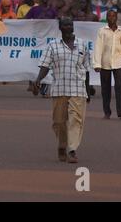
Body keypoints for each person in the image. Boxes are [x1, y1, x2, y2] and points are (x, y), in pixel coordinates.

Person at [35, 17, 91, 163]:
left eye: (70, 25)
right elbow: (45, 65)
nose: (68, 27)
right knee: (59, 122)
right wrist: (38, 80)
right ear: (60, 28)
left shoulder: (82, 45)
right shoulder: (52, 46)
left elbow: (86, 69)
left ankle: (72, 150)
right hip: (59, 88)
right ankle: (62, 145)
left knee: (76, 120)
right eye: (65, 25)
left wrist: (88, 89)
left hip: (78, 88)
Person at [93, 10, 121, 120]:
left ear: (117, 17)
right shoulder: (102, 31)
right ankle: (107, 112)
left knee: (120, 87)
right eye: (109, 16)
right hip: (105, 64)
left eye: (113, 16)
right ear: (107, 18)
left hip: (118, 63)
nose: (111, 18)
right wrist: (97, 64)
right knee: (105, 89)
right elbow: (98, 47)